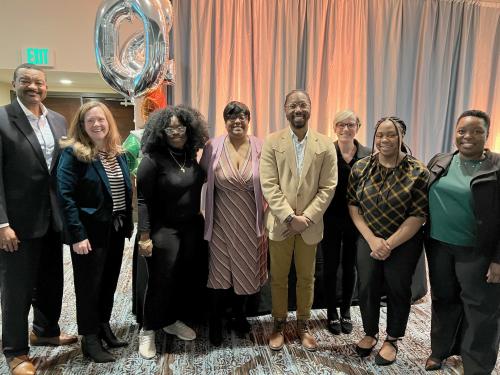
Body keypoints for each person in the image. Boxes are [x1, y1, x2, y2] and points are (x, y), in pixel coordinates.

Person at [0, 63, 77, 375]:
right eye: (26, 82)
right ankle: (15, 352)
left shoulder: (58, 120)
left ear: (47, 86)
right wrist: (2, 223)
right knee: (16, 288)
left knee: (50, 280)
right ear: (16, 84)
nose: (33, 87)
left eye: (39, 83)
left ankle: (45, 329)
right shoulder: (2, 118)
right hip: (16, 223)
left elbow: (62, 168)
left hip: (52, 219)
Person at [347, 116, 429, 366]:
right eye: (380, 135)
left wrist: (389, 244)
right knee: (367, 285)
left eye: (390, 134)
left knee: (398, 288)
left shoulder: (418, 171)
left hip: (404, 242)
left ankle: (392, 338)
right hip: (368, 239)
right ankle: (370, 333)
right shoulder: (361, 167)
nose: (384, 140)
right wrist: (372, 240)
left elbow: (418, 215)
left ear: (401, 137)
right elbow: (353, 204)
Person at [260, 89, 337, 352]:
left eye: (303, 105)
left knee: (307, 278)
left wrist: (307, 217)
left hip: (310, 226)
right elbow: (268, 184)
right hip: (281, 223)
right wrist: (290, 217)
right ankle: (279, 324)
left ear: (310, 108)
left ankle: (303, 324)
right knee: (279, 277)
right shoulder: (272, 142)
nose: (298, 109)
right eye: (293, 105)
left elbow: (328, 187)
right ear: (285, 110)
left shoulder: (325, 144)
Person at [57, 101, 133, 363]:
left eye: (101, 120)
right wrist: (77, 235)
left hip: (114, 229)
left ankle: (104, 326)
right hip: (88, 234)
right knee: (89, 287)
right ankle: (89, 339)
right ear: (82, 125)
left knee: (109, 282)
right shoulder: (73, 153)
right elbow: (65, 197)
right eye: (91, 121)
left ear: (108, 122)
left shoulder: (117, 152)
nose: (97, 125)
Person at [424, 110, 500, 374]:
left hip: (477, 251)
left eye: (476, 131)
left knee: (481, 307)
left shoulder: (497, 167)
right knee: (443, 299)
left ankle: (477, 364)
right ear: (455, 133)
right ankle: (440, 350)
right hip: (438, 246)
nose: (468, 136)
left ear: (486, 134)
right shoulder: (441, 160)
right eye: (462, 131)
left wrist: (498, 259)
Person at [136, 105, 209, 359]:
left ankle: (170, 320)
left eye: (181, 127)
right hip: (162, 229)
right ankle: (147, 330)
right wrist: (144, 236)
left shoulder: (190, 157)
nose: (176, 132)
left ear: (189, 129)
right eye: (171, 128)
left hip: (191, 228)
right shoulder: (152, 160)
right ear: (161, 131)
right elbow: (143, 200)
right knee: (160, 280)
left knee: (182, 278)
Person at [200, 101, 267, 346]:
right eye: (231, 117)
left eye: (242, 117)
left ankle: (239, 317)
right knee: (219, 276)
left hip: (251, 220)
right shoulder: (212, 146)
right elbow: (201, 177)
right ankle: (216, 322)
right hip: (220, 220)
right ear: (224, 121)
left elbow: (270, 181)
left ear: (249, 120)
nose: (237, 121)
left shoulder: (261, 145)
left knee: (245, 273)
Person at [321, 110, 371, 335]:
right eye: (340, 124)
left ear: (357, 127)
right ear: (334, 127)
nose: (345, 129)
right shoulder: (326, 152)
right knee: (330, 266)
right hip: (330, 218)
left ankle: (346, 311)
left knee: (351, 267)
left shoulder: (369, 155)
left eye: (350, 124)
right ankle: (332, 312)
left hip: (357, 220)